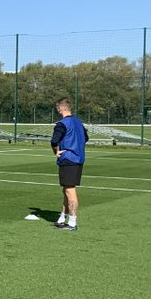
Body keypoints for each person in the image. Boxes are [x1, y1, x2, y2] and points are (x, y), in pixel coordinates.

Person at [51, 97, 88, 231]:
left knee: (69, 190)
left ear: (60, 108)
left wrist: (56, 151)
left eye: (57, 108)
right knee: (66, 189)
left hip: (68, 159)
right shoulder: (78, 122)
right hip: (79, 159)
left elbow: (54, 141)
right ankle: (62, 218)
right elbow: (86, 138)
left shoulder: (62, 124)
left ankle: (72, 222)